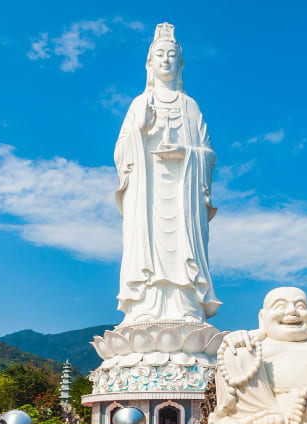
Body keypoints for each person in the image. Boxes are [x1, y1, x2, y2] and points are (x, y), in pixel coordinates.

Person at [114, 22, 220, 324]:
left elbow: (209, 154)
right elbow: (120, 153)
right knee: (146, 245)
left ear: (180, 62)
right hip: (147, 194)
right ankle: (146, 305)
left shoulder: (190, 107)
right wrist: (140, 129)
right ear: (149, 63)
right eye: (159, 54)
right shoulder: (138, 104)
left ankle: (186, 304)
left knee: (183, 249)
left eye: (171, 54)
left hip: (183, 195)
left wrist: (186, 154)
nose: (165, 59)